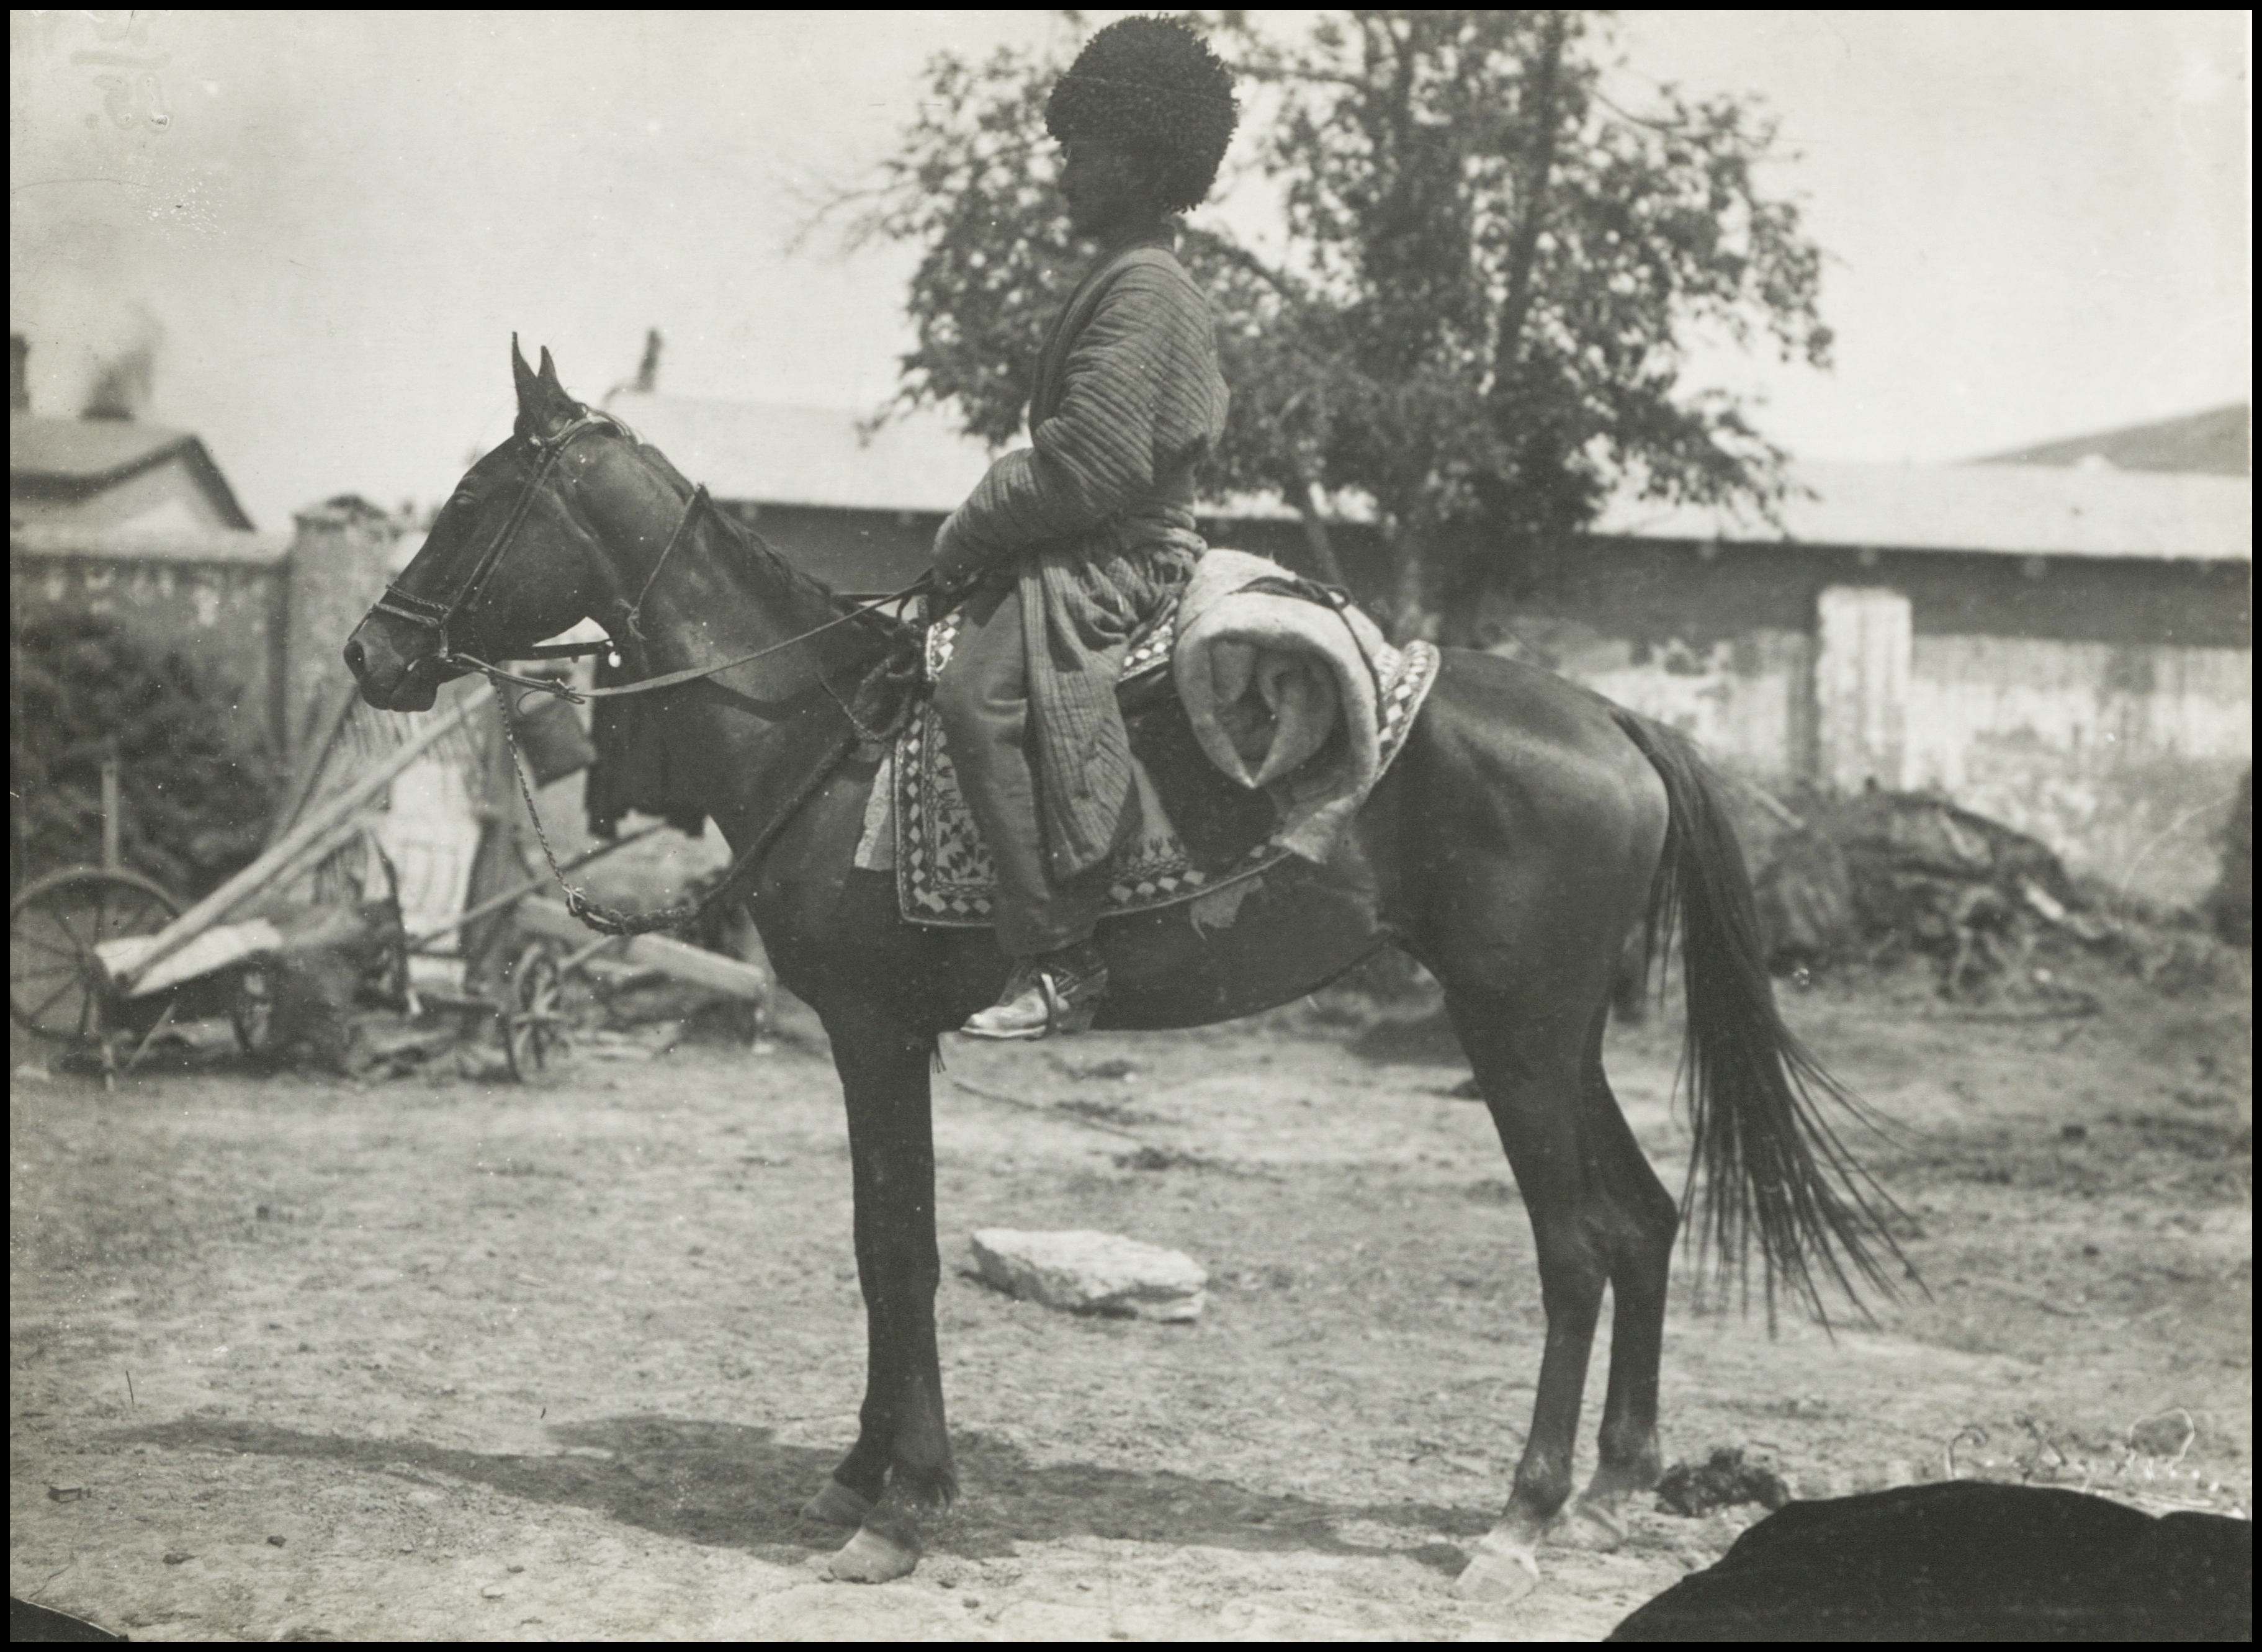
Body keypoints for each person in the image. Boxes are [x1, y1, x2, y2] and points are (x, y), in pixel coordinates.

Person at [931, 17, 1236, 1039]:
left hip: (1121, 555)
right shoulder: (1129, 274)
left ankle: (1058, 955)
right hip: (1096, 538)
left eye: (1081, 153)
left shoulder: (1145, 287)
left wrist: (965, 532)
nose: (1062, 174)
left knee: (978, 695)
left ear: (1142, 161)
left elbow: (1085, 469)